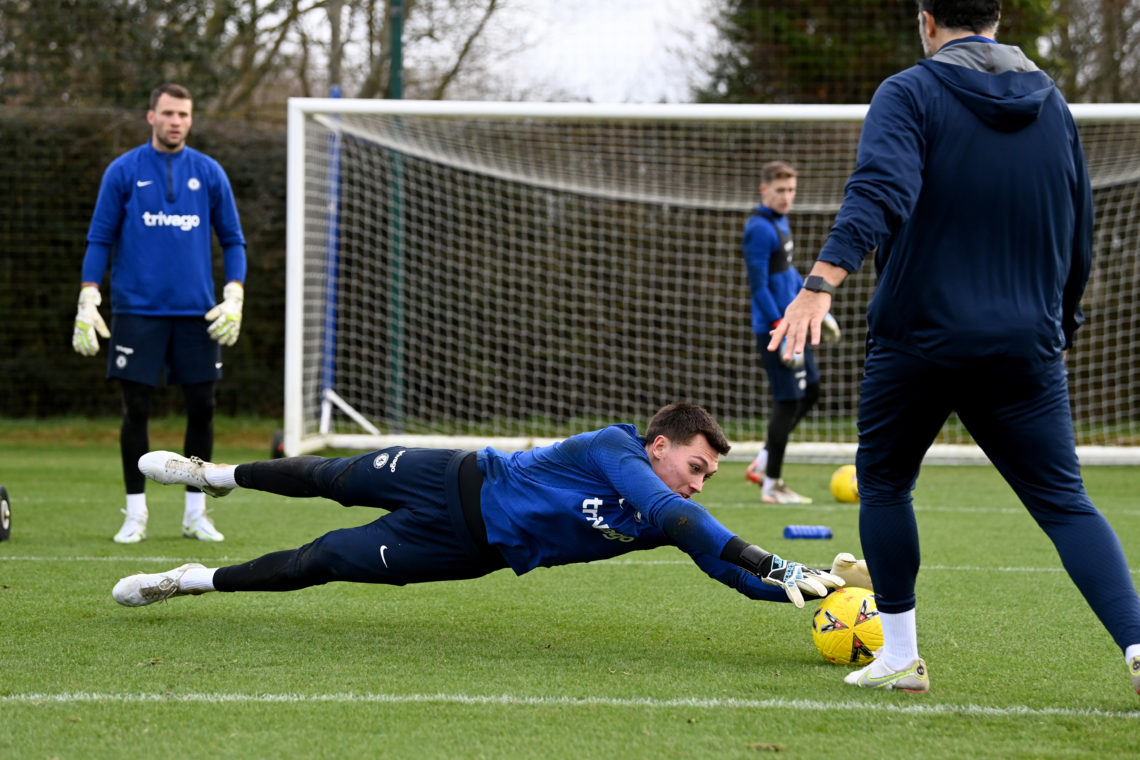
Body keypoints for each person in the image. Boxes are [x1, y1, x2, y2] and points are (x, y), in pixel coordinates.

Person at [770, 0, 1140, 695]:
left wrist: (819, 283)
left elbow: (880, 189)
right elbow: (1078, 225)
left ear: (926, 19)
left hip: (920, 340)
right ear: (997, 18)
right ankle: (1139, 645)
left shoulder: (909, 92)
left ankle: (901, 659)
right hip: (1026, 344)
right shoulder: (1053, 104)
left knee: (884, 484)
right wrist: (1060, 321)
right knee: (1066, 503)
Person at [111, 402, 870, 612]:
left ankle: (192, 578)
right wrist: (769, 555)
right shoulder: (615, 448)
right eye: (696, 467)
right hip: (453, 477)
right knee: (330, 475)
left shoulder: (669, 514)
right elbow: (687, 522)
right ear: (660, 444)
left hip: (467, 552)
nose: (699, 484)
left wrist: (801, 587)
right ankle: (216, 476)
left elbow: (714, 557)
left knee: (324, 559)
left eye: (709, 477)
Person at [72, 83, 248, 545]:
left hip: (196, 312)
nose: (176, 121)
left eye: (184, 114)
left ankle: (195, 513)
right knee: (136, 409)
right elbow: (100, 238)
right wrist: (89, 294)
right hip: (137, 310)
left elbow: (233, 239)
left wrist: (235, 293)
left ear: (191, 119)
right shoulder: (123, 170)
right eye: (168, 113)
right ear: (151, 116)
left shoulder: (209, 172)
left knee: (203, 407)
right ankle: (135, 513)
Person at [740, 161, 839, 504]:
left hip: (794, 324)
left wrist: (816, 309)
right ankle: (772, 485)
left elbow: (788, 273)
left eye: (791, 190)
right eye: (780, 190)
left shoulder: (780, 222)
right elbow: (759, 287)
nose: (786, 197)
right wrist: (778, 326)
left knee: (811, 390)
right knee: (788, 401)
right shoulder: (758, 229)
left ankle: (763, 462)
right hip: (777, 330)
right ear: (764, 190)